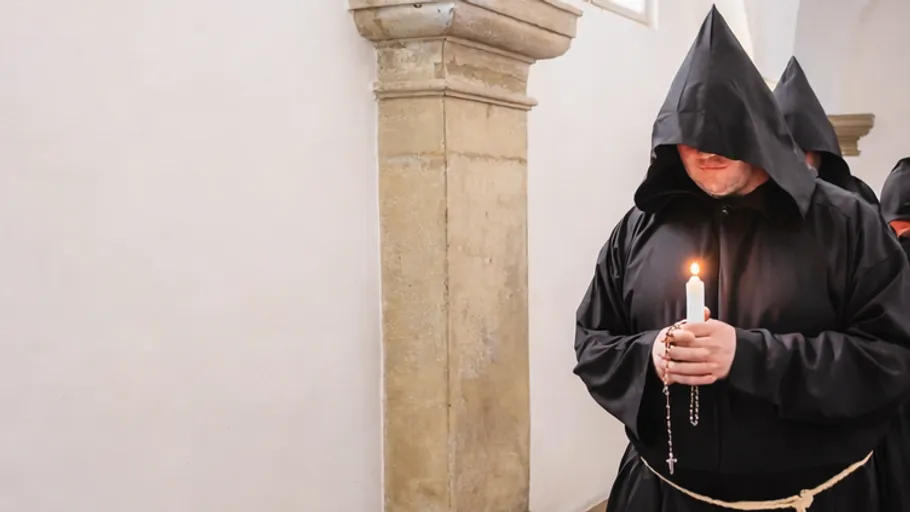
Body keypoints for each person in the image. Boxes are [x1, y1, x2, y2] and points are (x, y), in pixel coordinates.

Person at [573, 6, 910, 511]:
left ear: (757, 130)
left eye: (725, 133)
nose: (707, 151)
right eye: (691, 135)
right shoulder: (641, 227)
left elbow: (890, 357)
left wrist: (750, 356)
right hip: (667, 495)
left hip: (813, 498)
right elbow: (594, 343)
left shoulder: (846, 224)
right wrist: (652, 355)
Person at [773, 56, 880, 208]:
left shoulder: (856, 203)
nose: (796, 162)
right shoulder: (757, 202)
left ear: (820, 151)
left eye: (802, 151)